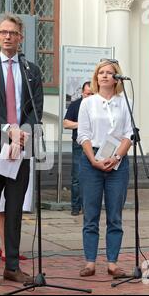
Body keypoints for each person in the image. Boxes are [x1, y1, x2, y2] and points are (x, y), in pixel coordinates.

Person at [0, 13, 43, 284]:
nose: (7, 36)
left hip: (21, 146)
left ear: (20, 37)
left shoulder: (31, 70)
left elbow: (36, 108)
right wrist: (8, 129)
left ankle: (12, 266)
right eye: (2, 32)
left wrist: (23, 132)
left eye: (12, 33)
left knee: (15, 208)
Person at [76, 59, 133, 277]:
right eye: (101, 72)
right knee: (90, 213)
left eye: (110, 73)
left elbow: (129, 133)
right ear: (96, 76)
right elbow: (83, 135)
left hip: (117, 160)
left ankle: (112, 262)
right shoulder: (88, 103)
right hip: (92, 160)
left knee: (115, 215)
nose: (105, 76)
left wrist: (117, 157)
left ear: (117, 77)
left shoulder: (124, 102)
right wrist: (93, 160)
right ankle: (90, 262)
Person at [63, 81, 93, 216]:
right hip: (79, 145)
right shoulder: (76, 105)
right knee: (76, 177)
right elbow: (66, 123)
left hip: (95, 144)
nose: (90, 96)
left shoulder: (98, 105)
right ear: (82, 93)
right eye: (87, 94)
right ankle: (75, 207)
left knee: (93, 177)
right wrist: (82, 125)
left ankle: (89, 207)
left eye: (92, 94)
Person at [0, 159, 33, 262]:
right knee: (1, 205)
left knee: (17, 203)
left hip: (22, 156)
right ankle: (5, 247)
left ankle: (13, 247)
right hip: (1, 155)